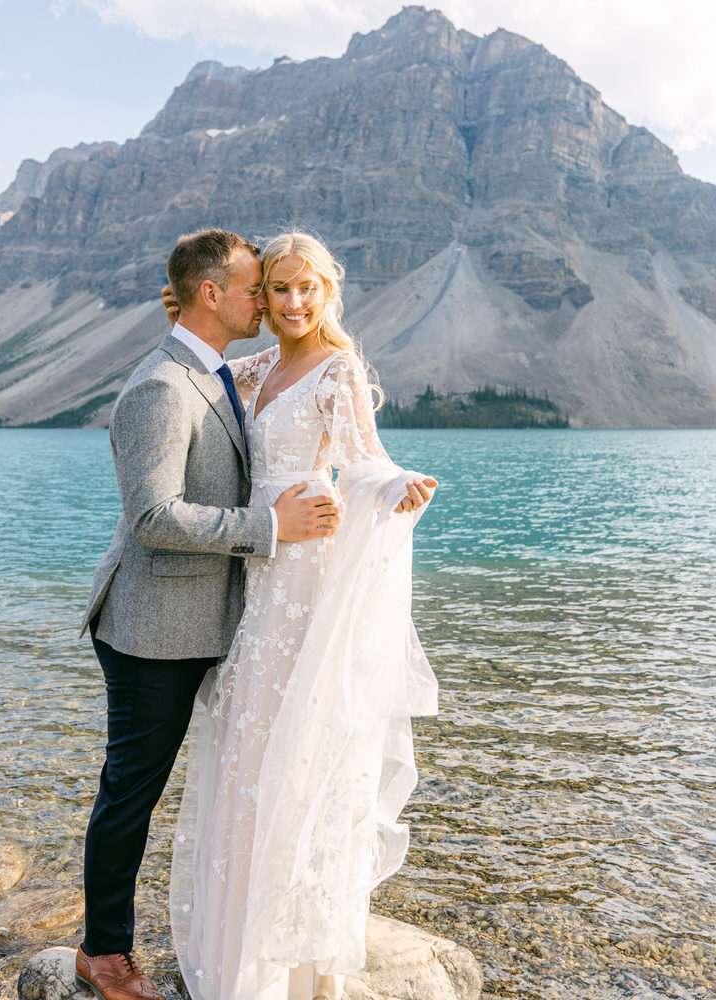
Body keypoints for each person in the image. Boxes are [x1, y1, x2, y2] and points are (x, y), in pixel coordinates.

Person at [76, 229, 346, 1000]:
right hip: (153, 627)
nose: (268, 301)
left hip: (219, 619)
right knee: (133, 787)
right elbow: (155, 516)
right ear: (213, 295)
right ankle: (103, 955)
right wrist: (271, 531)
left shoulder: (218, 366)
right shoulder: (161, 386)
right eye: (254, 288)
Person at [169, 232, 439, 1000]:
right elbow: (203, 369)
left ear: (327, 291)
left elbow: (362, 458)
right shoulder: (256, 368)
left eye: (305, 290)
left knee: (301, 754)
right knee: (246, 756)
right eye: (277, 290)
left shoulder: (336, 365)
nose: (291, 304)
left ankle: (298, 967)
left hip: (303, 580)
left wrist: (396, 489)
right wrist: (181, 306)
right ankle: (241, 950)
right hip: (255, 575)